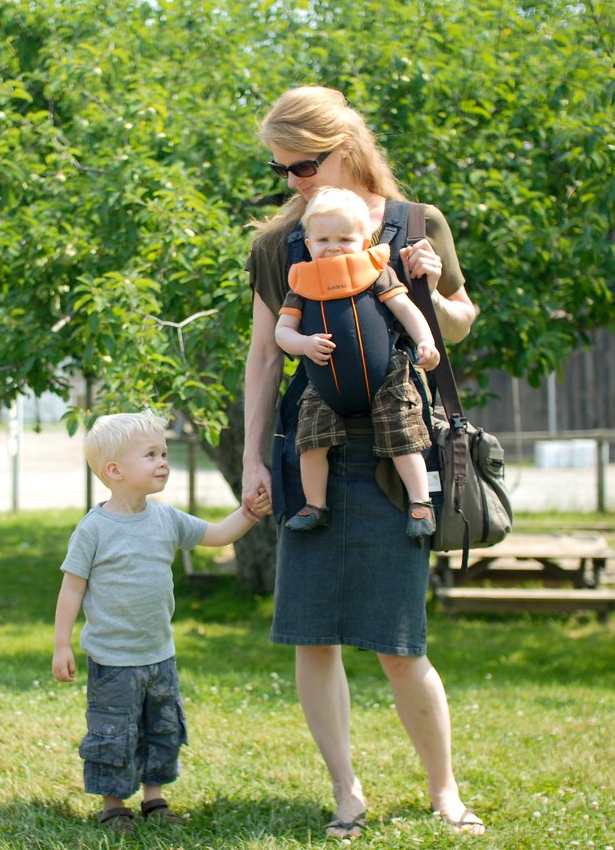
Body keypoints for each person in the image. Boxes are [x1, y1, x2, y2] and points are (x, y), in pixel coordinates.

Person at [241, 85, 484, 839]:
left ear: (344, 145)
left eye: (303, 165)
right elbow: (261, 358)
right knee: (312, 633)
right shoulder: (280, 245)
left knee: (398, 641)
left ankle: (443, 789)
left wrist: (432, 286)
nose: (292, 182)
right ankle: (347, 790)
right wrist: (252, 454)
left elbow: (462, 320)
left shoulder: (417, 222)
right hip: (312, 451)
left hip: (396, 456)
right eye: (281, 169)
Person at [52, 409, 271, 836]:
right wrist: (63, 645)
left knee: (162, 727)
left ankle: (154, 798)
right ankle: (114, 805)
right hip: (113, 659)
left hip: (159, 655)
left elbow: (217, 534)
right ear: (115, 470)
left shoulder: (166, 519)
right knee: (113, 732)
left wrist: (248, 513)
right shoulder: (93, 530)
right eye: (150, 454)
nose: (163, 462)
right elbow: (71, 590)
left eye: (164, 453)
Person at [273, 185, 441, 538]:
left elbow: (406, 311)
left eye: (345, 239)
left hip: (386, 376)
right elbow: (282, 332)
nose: (333, 247)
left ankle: (420, 503)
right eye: (323, 240)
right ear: (308, 244)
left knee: (403, 434)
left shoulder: (376, 273)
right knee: (311, 440)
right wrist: (303, 344)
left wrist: (426, 341)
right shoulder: (302, 285)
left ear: (365, 241)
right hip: (324, 383)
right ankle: (315, 505)